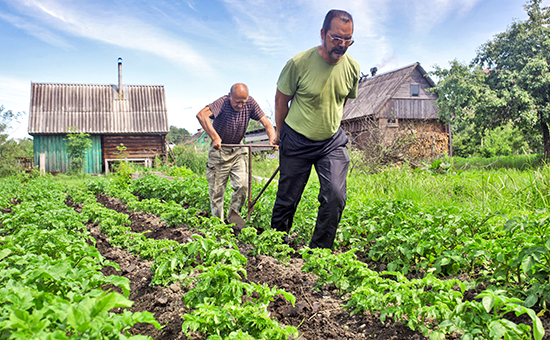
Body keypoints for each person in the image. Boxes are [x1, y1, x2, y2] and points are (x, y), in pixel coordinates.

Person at [271, 9, 360, 249]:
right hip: (296, 138)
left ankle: (319, 253)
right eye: (336, 38)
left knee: (335, 196)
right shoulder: (299, 63)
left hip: (330, 141)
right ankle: (276, 247)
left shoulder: (353, 68)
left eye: (347, 40)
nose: (341, 45)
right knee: (287, 198)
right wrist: (282, 134)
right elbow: (281, 101)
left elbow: (342, 100)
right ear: (323, 33)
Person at [196, 83, 276, 221]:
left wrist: (273, 139)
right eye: (237, 102)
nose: (240, 105)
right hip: (220, 150)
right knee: (217, 192)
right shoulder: (222, 102)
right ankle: (218, 225)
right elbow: (202, 115)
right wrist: (215, 137)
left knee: (243, 186)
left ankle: (233, 220)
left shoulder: (250, 103)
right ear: (230, 96)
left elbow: (267, 124)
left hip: (238, 149)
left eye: (243, 102)